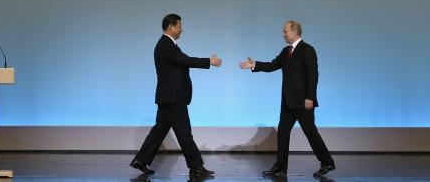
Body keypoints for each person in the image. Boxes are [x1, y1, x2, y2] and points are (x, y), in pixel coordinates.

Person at [131, 14, 222, 178]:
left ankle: (141, 160)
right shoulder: (166, 44)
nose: (181, 30)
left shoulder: (167, 44)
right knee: (184, 132)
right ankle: (196, 166)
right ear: (171, 27)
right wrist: (208, 61)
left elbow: (180, 62)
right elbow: (184, 60)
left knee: (159, 131)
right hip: (173, 97)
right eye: (179, 26)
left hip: (167, 96)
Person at [239, 20, 334, 177]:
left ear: (294, 31)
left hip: (303, 102)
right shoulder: (285, 51)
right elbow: (272, 65)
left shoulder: (307, 50)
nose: (283, 34)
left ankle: (327, 162)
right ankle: (281, 168)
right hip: (288, 102)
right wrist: (254, 65)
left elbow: (313, 75)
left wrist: (310, 97)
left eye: (285, 31)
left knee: (311, 133)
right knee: (283, 133)